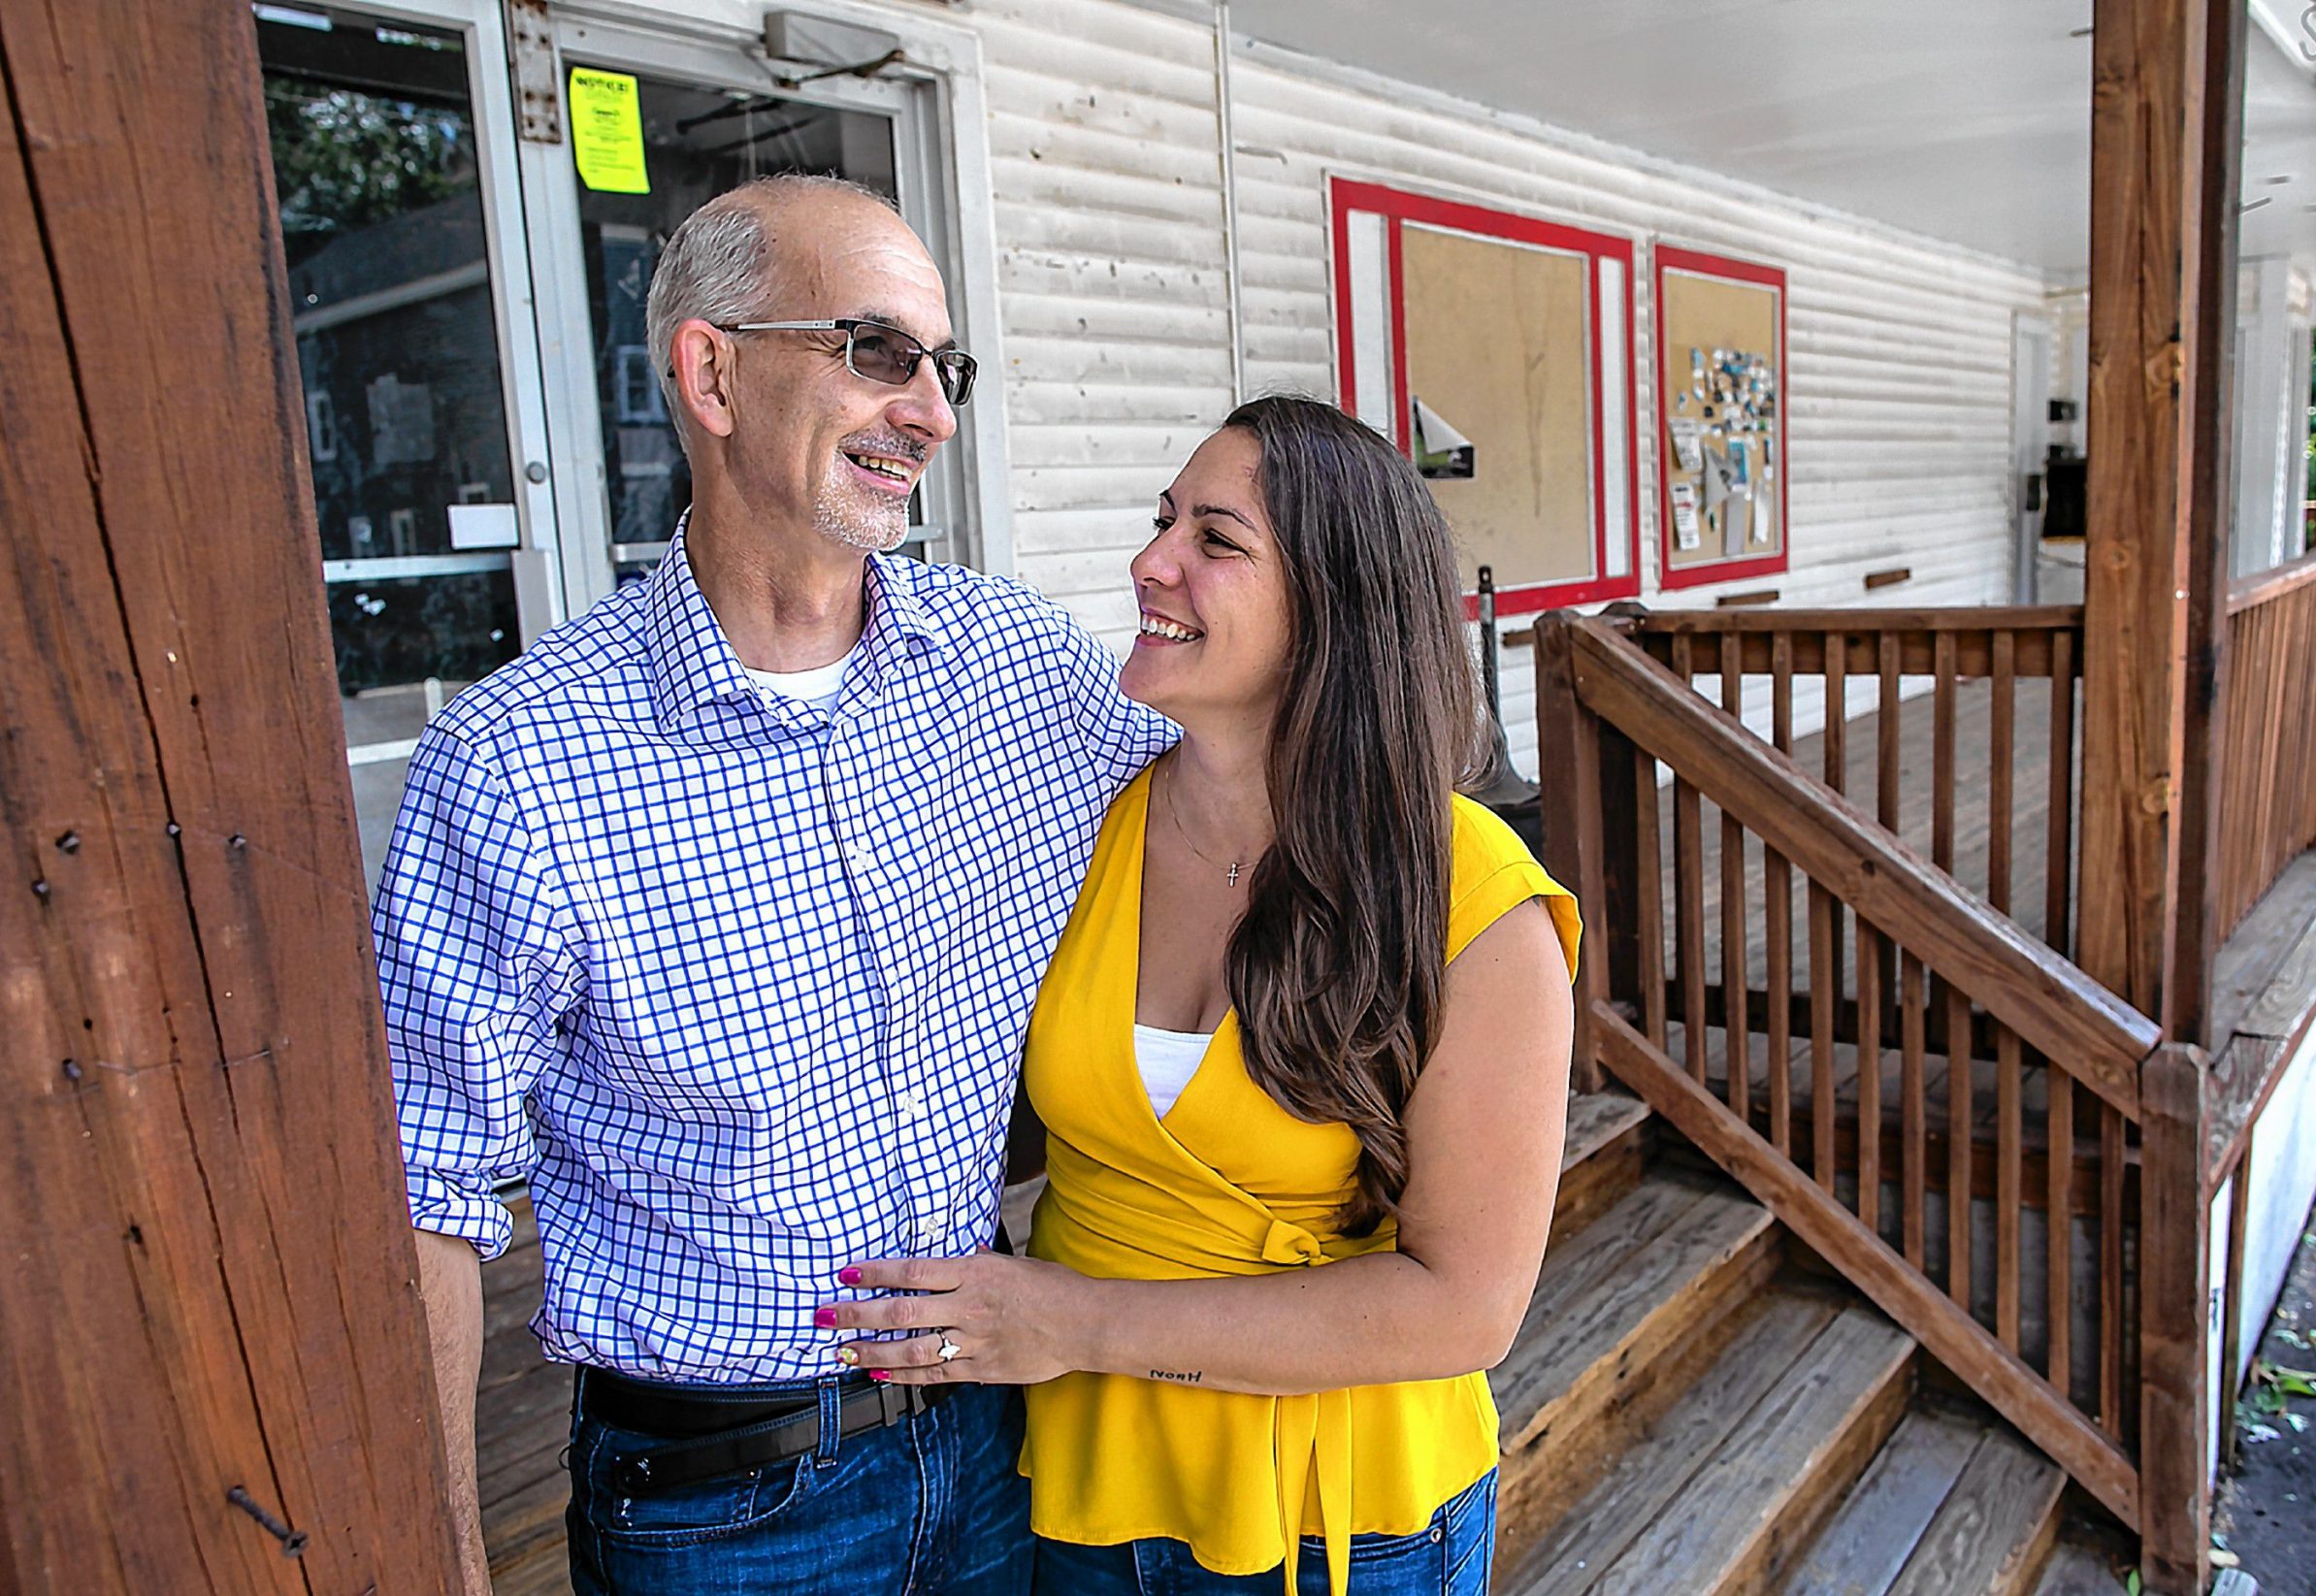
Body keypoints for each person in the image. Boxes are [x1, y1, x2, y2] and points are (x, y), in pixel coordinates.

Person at [374, 174, 1170, 1596]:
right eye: (876, 352)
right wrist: (440, 1557)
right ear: (712, 371)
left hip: (1000, 1442)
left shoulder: (1016, 667)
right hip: (722, 1508)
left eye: (944, 367)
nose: (927, 410)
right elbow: (424, 1199)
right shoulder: (516, 763)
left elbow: (1232, 801)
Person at [827, 397, 1582, 1595]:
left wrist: (1070, 1321)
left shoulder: (1471, 895)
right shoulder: (1082, 828)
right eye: (1161, 520)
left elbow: (1464, 1310)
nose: (1150, 562)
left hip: (1340, 1515)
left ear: (1338, 606)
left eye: (1215, 540)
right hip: (1079, 1479)